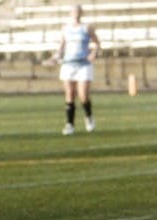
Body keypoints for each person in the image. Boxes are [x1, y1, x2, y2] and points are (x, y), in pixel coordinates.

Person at [53, 4, 100, 135]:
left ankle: (89, 117)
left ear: (81, 13)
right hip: (68, 64)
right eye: (73, 11)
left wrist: (94, 53)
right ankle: (70, 124)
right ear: (70, 13)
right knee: (69, 94)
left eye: (78, 11)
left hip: (83, 65)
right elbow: (61, 46)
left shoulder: (87, 27)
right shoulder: (65, 28)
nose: (76, 13)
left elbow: (97, 43)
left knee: (83, 95)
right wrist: (56, 56)